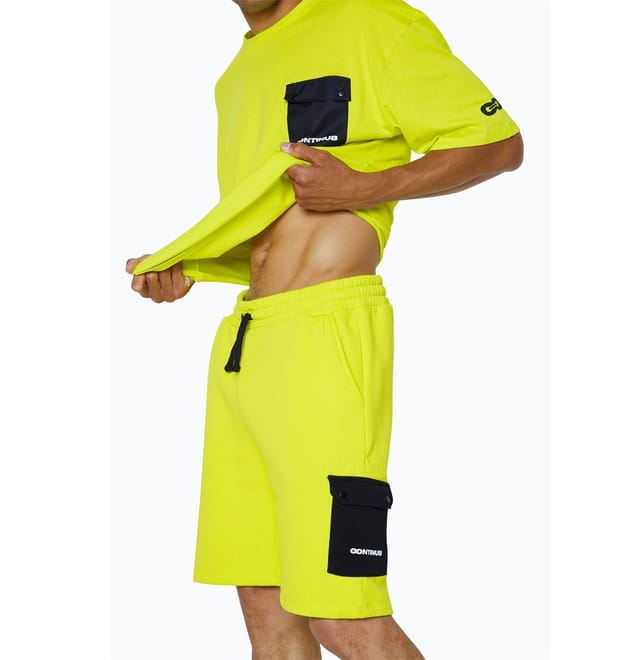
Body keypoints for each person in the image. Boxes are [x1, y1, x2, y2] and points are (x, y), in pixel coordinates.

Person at [126, 0, 523, 657]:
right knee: (266, 609)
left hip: (325, 341)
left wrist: (370, 187)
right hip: (247, 342)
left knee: (342, 615)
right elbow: (271, 225)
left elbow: (499, 144)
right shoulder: (235, 77)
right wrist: (188, 264)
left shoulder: (372, 23)